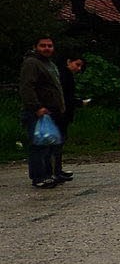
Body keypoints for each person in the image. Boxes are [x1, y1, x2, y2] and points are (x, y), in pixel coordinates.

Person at [19, 36, 66, 190]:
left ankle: (49, 174)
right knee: (38, 145)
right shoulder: (32, 63)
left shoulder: (48, 63)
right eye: (43, 45)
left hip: (50, 111)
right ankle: (39, 177)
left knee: (49, 144)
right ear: (35, 47)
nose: (47, 48)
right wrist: (36, 107)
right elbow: (27, 87)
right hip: (37, 112)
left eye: (50, 45)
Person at [55, 54, 86, 182]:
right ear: (69, 61)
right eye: (77, 65)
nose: (78, 69)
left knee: (59, 143)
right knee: (56, 143)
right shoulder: (64, 75)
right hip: (60, 113)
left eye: (80, 66)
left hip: (64, 113)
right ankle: (54, 171)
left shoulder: (66, 75)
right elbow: (64, 97)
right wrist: (78, 102)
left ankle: (57, 169)